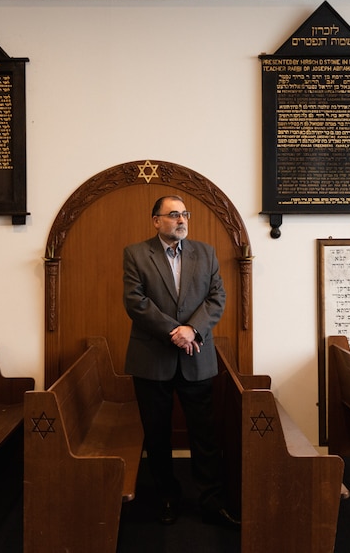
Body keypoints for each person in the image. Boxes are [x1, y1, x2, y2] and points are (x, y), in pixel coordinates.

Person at [122, 194, 239, 528]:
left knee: (204, 435)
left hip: (196, 356)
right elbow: (135, 302)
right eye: (173, 215)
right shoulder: (135, 254)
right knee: (157, 436)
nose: (181, 220)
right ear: (156, 220)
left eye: (185, 214)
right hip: (151, 359)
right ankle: (167, 497)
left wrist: (192, 330)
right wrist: (175, 331)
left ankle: (211, 501)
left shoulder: (206, 252)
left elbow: (218, 298)